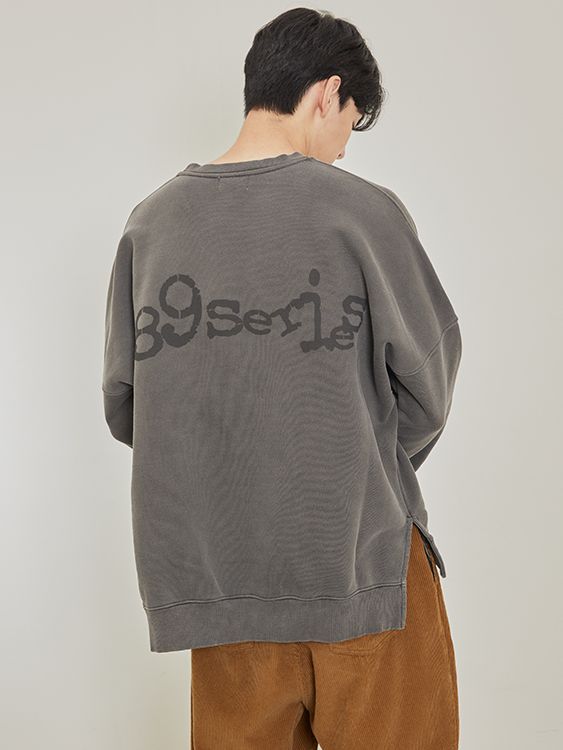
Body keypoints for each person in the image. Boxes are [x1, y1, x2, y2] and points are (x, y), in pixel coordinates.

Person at [102, 6, 462, 749]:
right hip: (362, 576)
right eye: (349, 125)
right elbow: (428, 385)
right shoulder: (364, 214)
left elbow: (127, 407)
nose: (342, 151)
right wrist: (347, 459)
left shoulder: (150, 226)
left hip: (222, 591)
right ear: (328, 92)